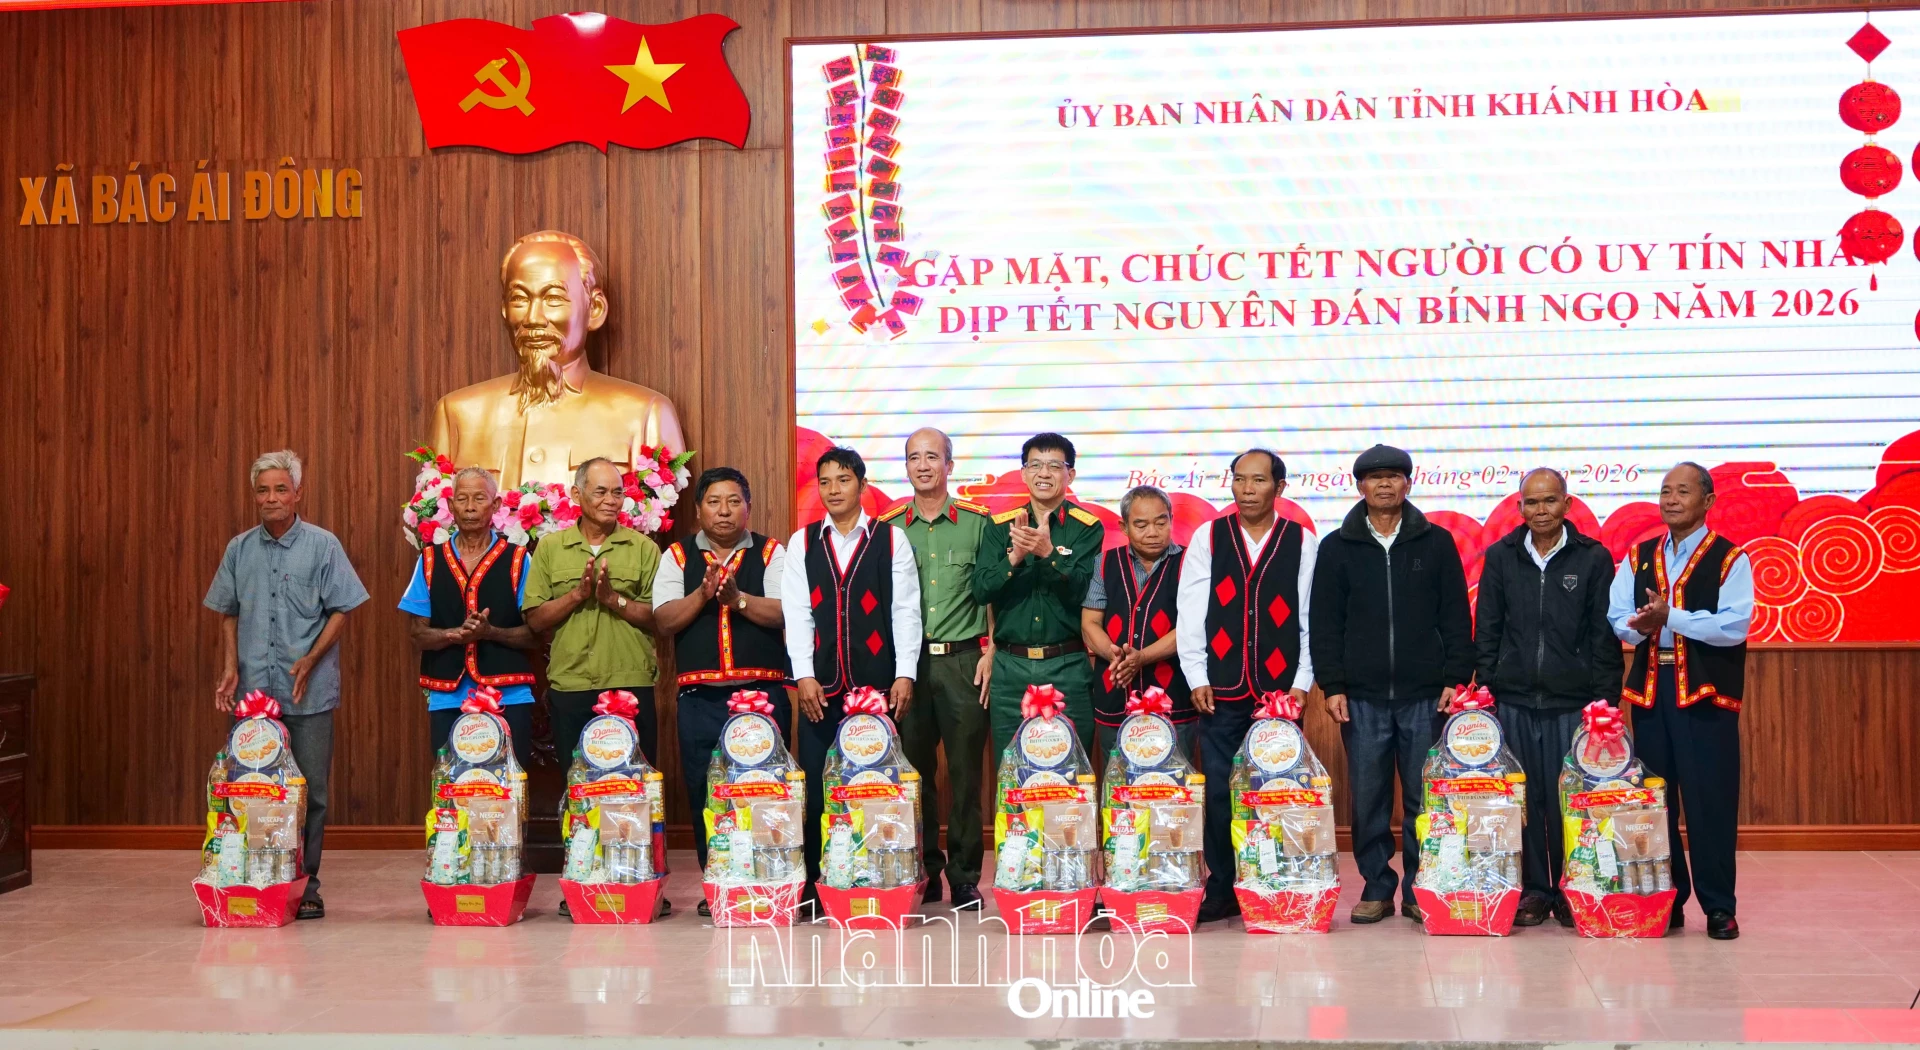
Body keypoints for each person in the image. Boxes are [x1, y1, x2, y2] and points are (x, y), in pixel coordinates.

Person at [1311, 444, 1472, 925]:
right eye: (1374, 477)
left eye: (1394, 476)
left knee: (1425, 798)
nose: (1384, 484)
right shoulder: (1337, 547)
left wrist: (1455, 677)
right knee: (1369, 799)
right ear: (1360, 486)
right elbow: (1325, 622)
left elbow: (1456, 615)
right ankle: (1377, 887)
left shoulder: (1436, 542)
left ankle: (1421, 888)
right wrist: (1333, 684)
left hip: (1426, 695)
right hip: (1361, 697)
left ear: (1408, 483)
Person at [205, 450, 369, 921]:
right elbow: (228, 612)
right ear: (254, 495)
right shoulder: (239, 549)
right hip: (254, 695)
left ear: (298, 493)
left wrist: (312, 658)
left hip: (308, 693)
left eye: (281, 489)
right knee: (249, 789)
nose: (271, 498)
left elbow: (342, 609)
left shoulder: (322, 546)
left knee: (309, 792)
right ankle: (253, 876)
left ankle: (306, 885)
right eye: (263, 490)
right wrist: (230, 667)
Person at [1473, 468, 1623, 927]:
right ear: (1520, 508)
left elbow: (1603, 635)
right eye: (1532, 503)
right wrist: (1487, 687)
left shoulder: (1593, 557)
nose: (1541, 510)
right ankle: (1536, 890)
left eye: (1550, 501)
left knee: (1570, 801)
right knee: (1524, 800)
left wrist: (1605, 701)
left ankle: (1572, 888)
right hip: (1514, 699)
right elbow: (1488, 627)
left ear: (1567, 504)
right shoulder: (1501, 556)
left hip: (1573, 703)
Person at [1609, 462, 1752, 941]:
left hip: (1706, 695)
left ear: (1707, 501)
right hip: (1653, 693)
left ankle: (1719, 906)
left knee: (1711, 800)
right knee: (1655, 801)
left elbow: (1733, 626)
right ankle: (1666, 898)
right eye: (1665, 491)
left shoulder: (1731, 558)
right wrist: (1638, 626)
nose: (1671, 500)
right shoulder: (1639, 555)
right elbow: (1616, 614)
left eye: (1682, 491)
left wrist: (1673, 617)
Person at [1174, 450, 1317, 924]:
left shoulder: (1302, 541)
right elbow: (1191, 612)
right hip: (1221, 690)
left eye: (1258, 480)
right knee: (1219, 793)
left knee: (1277, 792)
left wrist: (1301, 683)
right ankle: (1222, 888)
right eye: (1239, 479)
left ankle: (1276, 883)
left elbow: (1308, 619)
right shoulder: (1208, 536)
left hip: (1279, 696)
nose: (1247, 489)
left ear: (1280, 487)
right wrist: (1197, 675)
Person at [431, 230, 684, 488]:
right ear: (505, 309)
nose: (533, 318)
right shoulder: (457, 414)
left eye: (553, 298)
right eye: (519, 299)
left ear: (595, 309)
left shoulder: (646, 414)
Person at [781, 447, 922, 899]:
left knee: (879, 785)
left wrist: (905, 674)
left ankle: (882, 878)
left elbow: (905, 612)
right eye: (824, 482)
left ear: (862, 484)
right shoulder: (802, 542)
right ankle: (818, 883)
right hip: (820, 690)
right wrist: (803, 675)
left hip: (878, 687)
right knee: (819, 785)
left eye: (843, 480)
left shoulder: (891, 539)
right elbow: (797, 614)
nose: (833, 489)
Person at [653, 466, 791, 917]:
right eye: (714, 502)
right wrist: (703, 594)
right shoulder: (676, 555)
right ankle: (718, 882)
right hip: (701, 699)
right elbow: (664, 619)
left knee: (768, 790)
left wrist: (737, 601)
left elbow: (785, 612)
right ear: (698, 509)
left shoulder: (771, 551)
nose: (724, 511)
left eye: (734, 501)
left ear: (748, 507)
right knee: (704, 791)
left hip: (762, 696)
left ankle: (772, 882)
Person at [886, 427, 995, 910]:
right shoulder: (889, 528)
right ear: (906, 467)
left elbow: (992, 592)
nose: (923, 465)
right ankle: (925, 871)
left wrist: (993, 650)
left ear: (949, 465)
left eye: (933, 457)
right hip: (907, 665)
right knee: (913, 773)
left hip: (964, 661)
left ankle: (965, 876)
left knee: (967, 774)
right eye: (914, 457)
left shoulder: (978, 523)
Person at [970, 433, 1105, 759]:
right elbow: (981, 590)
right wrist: (1014, 557)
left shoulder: (1087, 528)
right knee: (1011, 770)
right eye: (1035, 465)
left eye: (1054, 466)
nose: (1044, 473)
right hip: (1010, 669)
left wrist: (1048, 554)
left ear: (1070, 474)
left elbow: (1081, 591)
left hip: (1067, 667)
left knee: (1072, 769)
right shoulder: (1000, 526)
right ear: (1024, 473)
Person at [523, 458, 664, 769]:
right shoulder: (550, 548)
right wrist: (576, 596)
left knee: (634, 784)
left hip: (630, 683)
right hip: (571, 684)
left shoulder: (644, 548)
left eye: (617, 492)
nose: (611, 500)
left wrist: (614, 600)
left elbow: (659, 618)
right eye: (601, 492)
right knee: (577, 783)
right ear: (577, 494)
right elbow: (535, 619)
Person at [399, 467, 539, 767]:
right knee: (451, 782)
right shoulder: (429, 560)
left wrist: (491, 632)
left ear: (496, 505)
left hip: (509, 695)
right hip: (448, 697)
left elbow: (536, 633)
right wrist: (454, 635)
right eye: (462, 499)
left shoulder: (518, 559)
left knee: (510, 783)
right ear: (451, 506)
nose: (471, 507)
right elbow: (417, 634)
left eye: (479, 498)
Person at [1085, 484, 1195, 763]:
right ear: (1124, 527)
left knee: (1175, 778)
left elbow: (1192, 627)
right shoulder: (1104, 563)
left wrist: (1142, 657)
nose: (1153, 532)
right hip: (1115, 694)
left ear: (1171, 520)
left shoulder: (1190, 562)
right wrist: (1116, 657)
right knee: (1118, 778)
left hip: (1175, 695)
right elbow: (1090, 623)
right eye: (1141, 525)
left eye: (1161, 522)